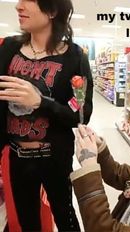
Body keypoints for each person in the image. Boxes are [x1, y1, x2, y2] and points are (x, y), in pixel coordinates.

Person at [0, 0, 93, 231]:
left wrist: (41, 102)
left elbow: (81, 113)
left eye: (27, 1)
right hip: (16, 156)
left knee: (65, 216)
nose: (18, 7)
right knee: (26, 220)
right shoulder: (8, 48)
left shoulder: (74, 57)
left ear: (52, 10)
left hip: (54, 157)